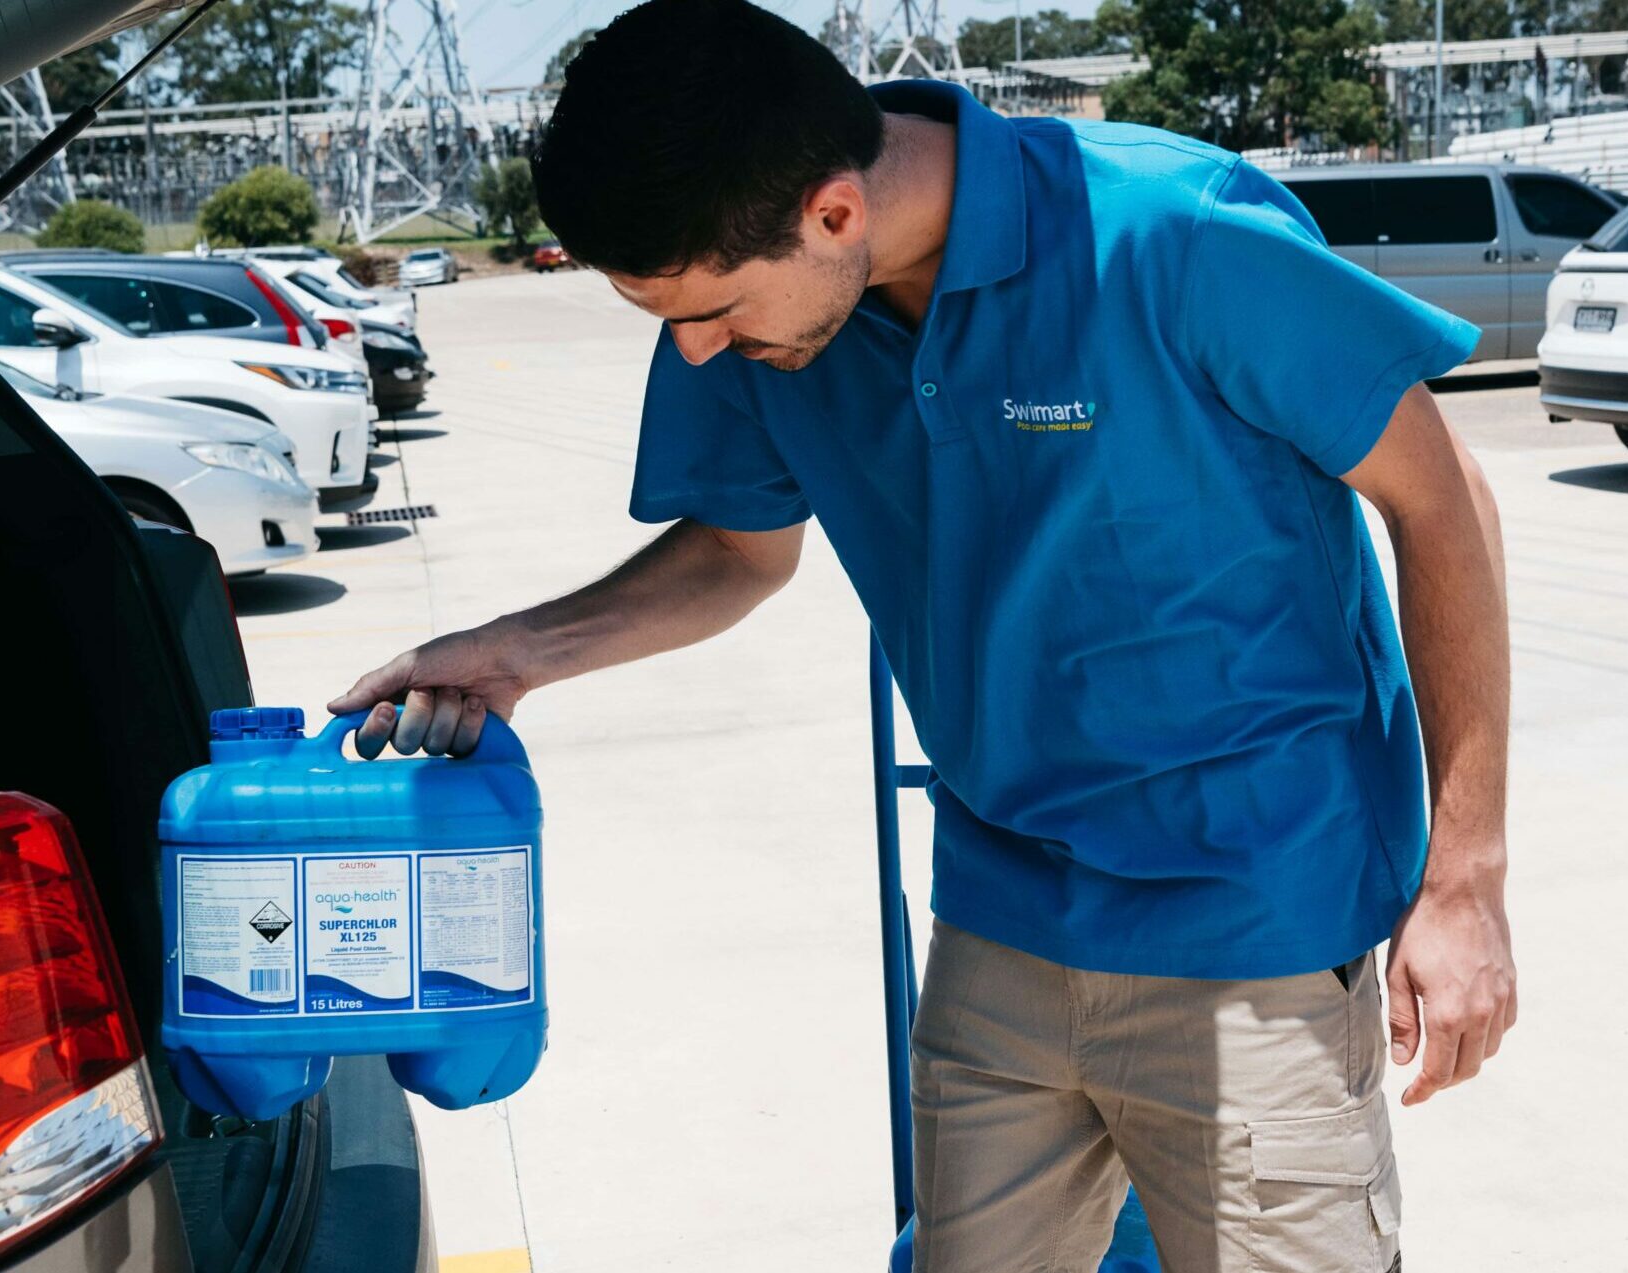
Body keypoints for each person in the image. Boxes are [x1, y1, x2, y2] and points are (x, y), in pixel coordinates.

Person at [331, 1, 1517, 1267]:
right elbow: (737, 550)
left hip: (1256, 923)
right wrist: (520, 652)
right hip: (1003, 917)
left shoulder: (1172, 232)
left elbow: (1442, 500)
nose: (696, 350)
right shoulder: (760, 303)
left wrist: (1463, 882)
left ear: (836, 213)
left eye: (712, 310)